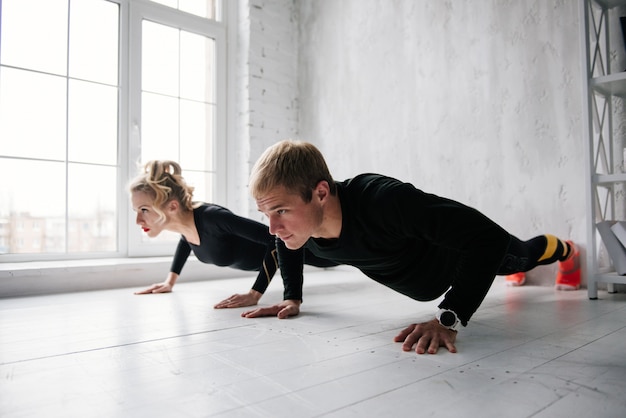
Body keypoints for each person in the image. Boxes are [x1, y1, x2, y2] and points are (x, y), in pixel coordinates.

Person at [241, 139, 580, 355]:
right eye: (266, 213)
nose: (273, 227)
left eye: (281, 210)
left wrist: (449, 317)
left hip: (458, 259)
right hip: (425, 280)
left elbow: (485, 238)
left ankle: (565, 250)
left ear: (320, 193)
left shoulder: (384, 202)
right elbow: (284, 244)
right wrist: (292, 296)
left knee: (521, 257)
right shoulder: (303, 229)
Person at [129, 160, 338, 308]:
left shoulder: (213, 218)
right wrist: (170, 281)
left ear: (172, 206)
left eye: (144, 209)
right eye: (136, 211)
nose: (138, 220)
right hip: (288, 255)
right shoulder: (186, 226)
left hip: (307, 249)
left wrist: (254, 294)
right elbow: (186, 241)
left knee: (338, 255)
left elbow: (274, 240)